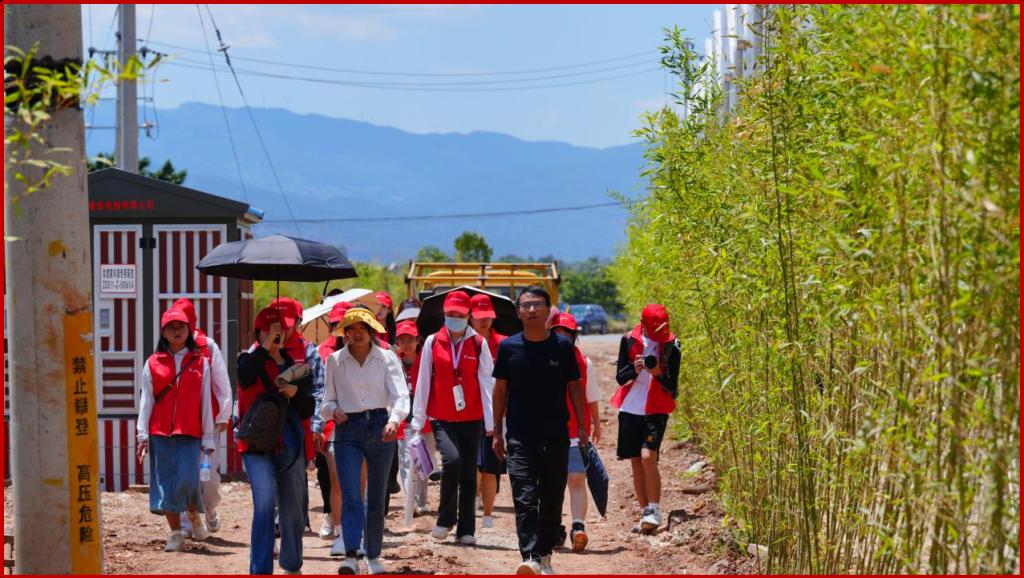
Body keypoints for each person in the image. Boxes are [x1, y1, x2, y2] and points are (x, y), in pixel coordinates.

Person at [492, 287, 587, 575]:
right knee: (524, 496)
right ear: (518, 312)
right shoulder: (508, 347)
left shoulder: (562, 347)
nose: (531, 309)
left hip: (556, 435)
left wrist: (582, 426)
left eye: (537, 304)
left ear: (548, 310)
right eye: (526, 305)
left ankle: (545, 554)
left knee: (551, 498)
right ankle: (531, 556)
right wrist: (496, 431)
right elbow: (500, 389)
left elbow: (574, 387)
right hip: (520, 436)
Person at [321, 308, 410, 575]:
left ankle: (373, 554)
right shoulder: (334, 361)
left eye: (363, 328)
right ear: (345, 333)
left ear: (371, 331)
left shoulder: (387, 358)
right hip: (347, 429)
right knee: (351, 495)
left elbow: (401, 395)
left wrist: (394, 420)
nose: (357, 334)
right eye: (352, 329)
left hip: (381, 425)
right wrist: (333, 410)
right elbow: (326, 401)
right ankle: (351, 554)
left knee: (377, 495)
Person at [237, 307, 317, 575]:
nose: (276, 335)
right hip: (256, 446)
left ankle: (292, 565)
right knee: (264, 503)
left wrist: (296, 393)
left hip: (290, 445)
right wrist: (265, 348)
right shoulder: (247, 360)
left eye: (280, 331)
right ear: (257, 333)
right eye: (269, 331)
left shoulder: (296, 365)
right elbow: (245, 377)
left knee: (292, 508)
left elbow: (308, 408)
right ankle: (260, 569)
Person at [411, 290, 495, 546]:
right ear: (444, 314)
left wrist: (491, 421)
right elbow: (424, 382)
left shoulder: (478, 343)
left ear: (468, 315)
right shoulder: (432, 342)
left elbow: (487, 383)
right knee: (452, 461)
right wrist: (418, 420)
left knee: (469, 473)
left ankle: (466, 529)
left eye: (460, 314)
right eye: (450, 314)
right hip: (442, 416)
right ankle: (445, 519)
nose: (455, 318)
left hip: (472, 418)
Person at [136, 307, 216, 552]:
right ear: (163, 333)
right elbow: (146, 400)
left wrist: (208, 437)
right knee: (166, 484)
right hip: (160, 433)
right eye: (171, 327)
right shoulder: (153, 362)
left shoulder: (200, 361)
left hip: (190, 432)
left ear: (189, 330)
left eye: (181, 326)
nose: (177, 331)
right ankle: (176, 534)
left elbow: (205, 401)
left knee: (188, 480)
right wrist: (142, 434)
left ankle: (192, 514)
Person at [610, 303, 680, 533]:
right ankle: (644, 513)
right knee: (636, 462)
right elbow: (620, 378)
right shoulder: (628, 340)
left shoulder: (672, 345)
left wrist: (658, 373)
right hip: (630, 408)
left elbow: (673, 386)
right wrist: (635, 368)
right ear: (643, 324)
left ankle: (655, 509)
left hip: (656, 408)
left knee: (648, 456)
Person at [170, 298, 232, 537]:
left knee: (208, 475)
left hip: (208, 423)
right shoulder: (168, 347)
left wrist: (224, 414)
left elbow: (221, 381)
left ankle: (209, 507)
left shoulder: (208, 346)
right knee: (183, 472)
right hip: (180, 423)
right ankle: (187, 522)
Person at [547, 313, 602, 552]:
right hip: (547, 432)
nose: (563, 338)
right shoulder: (539, 359)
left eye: (567, 334)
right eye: (558, 333)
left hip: (575, 432)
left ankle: (578, 526)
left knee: (577, 478)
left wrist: (596, 424)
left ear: (574, 336)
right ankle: (553, 528)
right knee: (551, 484)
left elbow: (591, 397)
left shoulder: (584, 363)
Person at [315, 301, 352, 555]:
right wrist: (318, 425)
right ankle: (336, 525)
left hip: (361, 426)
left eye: (343, 323)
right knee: (333, 479)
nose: (339, 328)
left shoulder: (373, 350)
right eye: (334, 323)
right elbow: (319, 392)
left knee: (357, 482)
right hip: (331, 426)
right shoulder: (323, 352)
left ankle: (357, 528)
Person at [468, 293, 507, 529]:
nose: (483, 321)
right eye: (479, 317)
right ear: (470, 317)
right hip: (469, 412)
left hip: (498, 413)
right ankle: (473, 498)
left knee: (492, 464)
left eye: (487, 317)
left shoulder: (505, 344)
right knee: (473, 463)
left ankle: (488, 512)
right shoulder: (463, 344)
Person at [393, 319, 430, 514]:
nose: (406, 344)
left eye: (410, 339)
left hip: (425, 420)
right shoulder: (394, 362)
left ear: (418, 340)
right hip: (403, 421)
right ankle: (411, 501)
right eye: (402, 340)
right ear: (397, 342)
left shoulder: (426, 360)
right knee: (406, 461)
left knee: (422, 460)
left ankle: (421, 500)